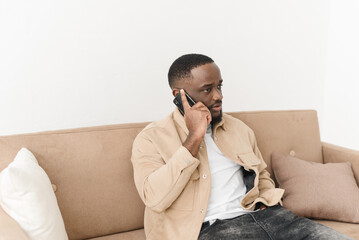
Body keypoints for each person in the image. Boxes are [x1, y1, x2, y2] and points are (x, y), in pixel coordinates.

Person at [131, 54, 352, 240]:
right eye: (207, 89)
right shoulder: (151, 139)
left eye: (219, 86)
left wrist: (266, 201)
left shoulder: (238, 129)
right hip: (212, 229)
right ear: (179, 95)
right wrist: (194, 137)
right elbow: (155, 199)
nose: (219, 96)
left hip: (271, 219)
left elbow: (261, 172)